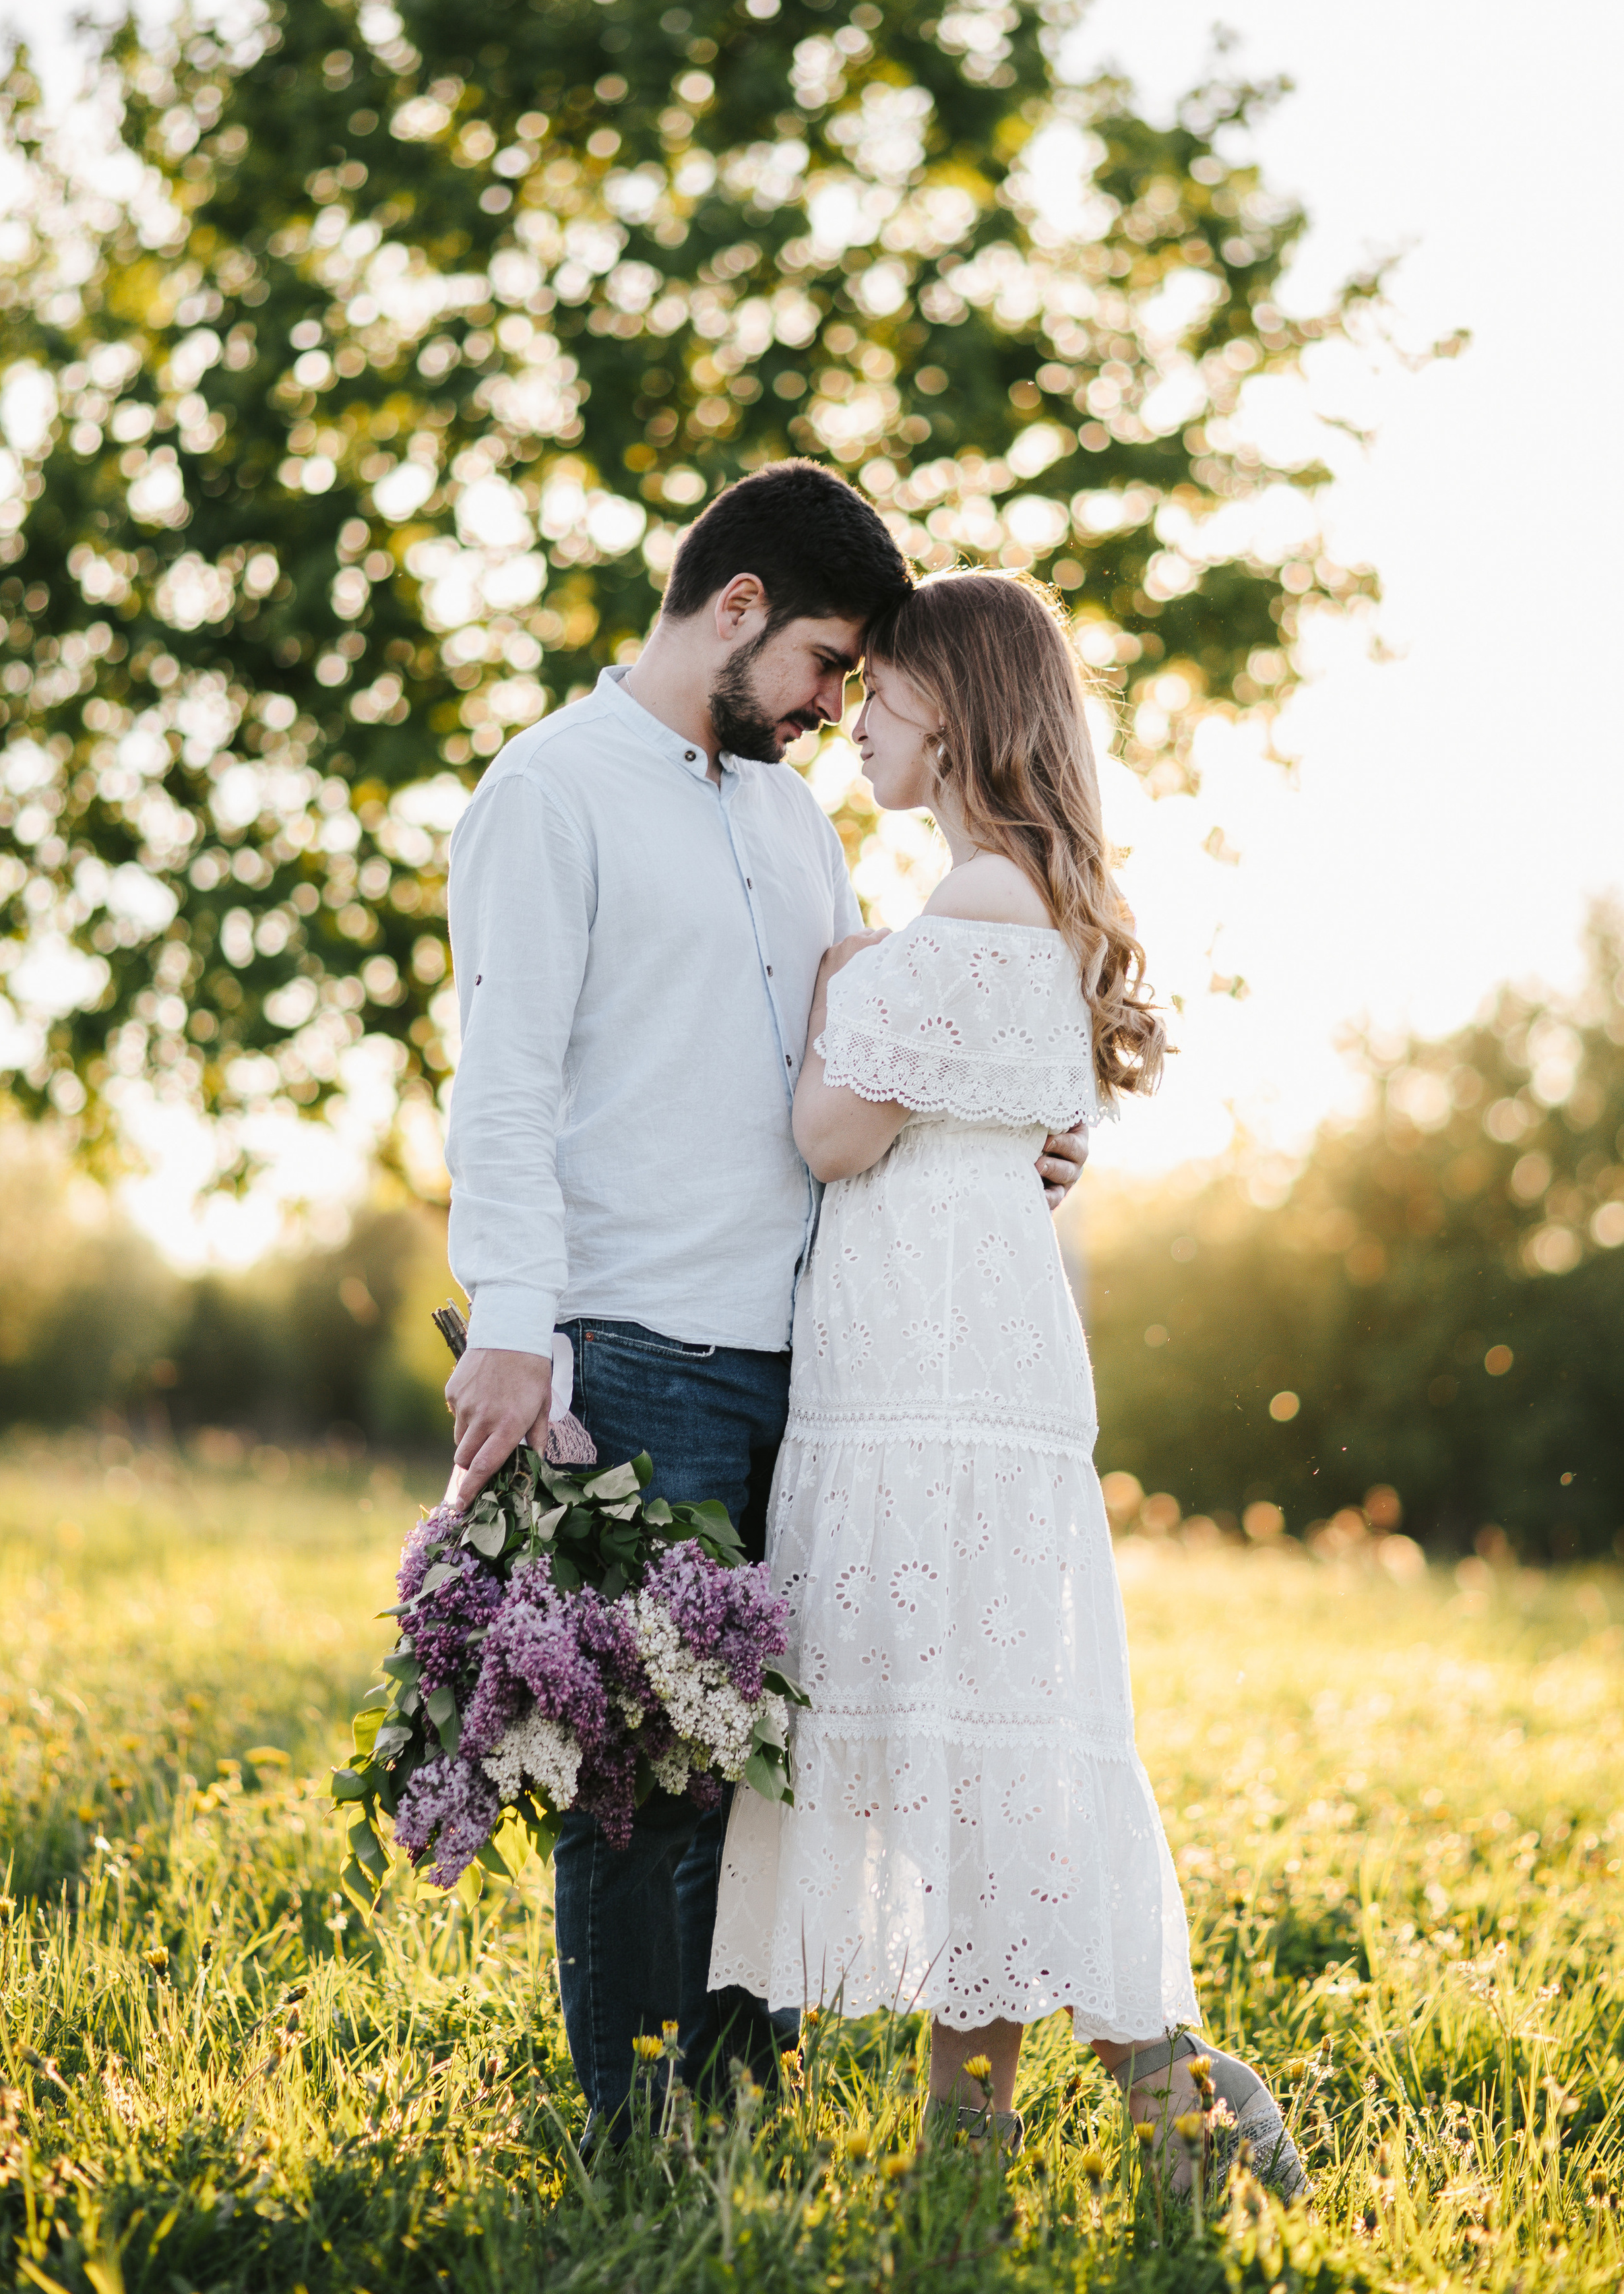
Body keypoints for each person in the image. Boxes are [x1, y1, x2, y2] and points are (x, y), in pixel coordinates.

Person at [440, 462, 1091, 2141]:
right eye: (820, 661)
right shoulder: (551, 793)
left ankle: (737, 2120)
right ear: (736, 610)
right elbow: (500, 1085)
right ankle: (642, 2144)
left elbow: (869, 1041)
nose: (829, 706)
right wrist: (513, 1321)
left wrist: (993, 1134)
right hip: (635, 1346)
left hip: (811, 1355)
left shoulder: (786, 819)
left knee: (756, 1778)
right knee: (639, 1779)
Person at [709, 567, 1306, 2196]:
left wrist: (837, 983)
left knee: (961, 1749)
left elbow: (830, 1132)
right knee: (973, 1750)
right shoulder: (1014, 905)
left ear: (955, 713)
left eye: (881, 699)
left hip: (934, 1373)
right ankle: (1030, 2126)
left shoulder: (964, 914)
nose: (855, 731)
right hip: (956, 1350)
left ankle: (1133, 2092)